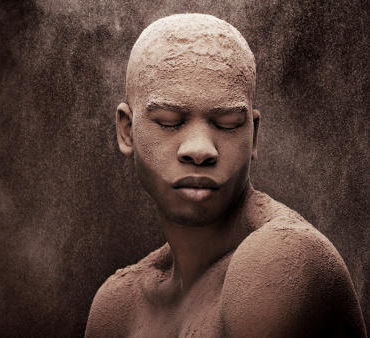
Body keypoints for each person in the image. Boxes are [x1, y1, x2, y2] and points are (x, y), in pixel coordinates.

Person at [85, 14, 367, 337]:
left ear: (254, 138)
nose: (200, 149)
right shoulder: (118, 306)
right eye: (170, 121)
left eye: (227, 123)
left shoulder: (277, 261)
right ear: (127, 131)